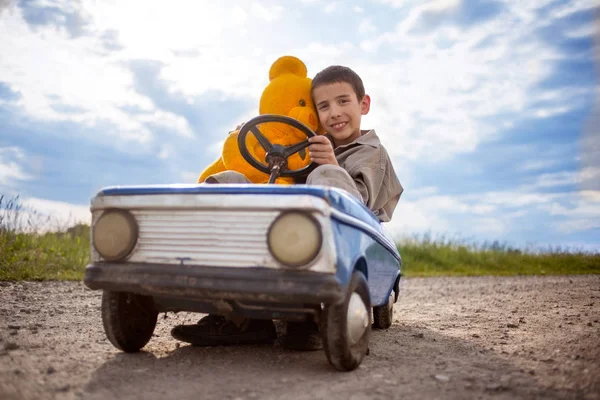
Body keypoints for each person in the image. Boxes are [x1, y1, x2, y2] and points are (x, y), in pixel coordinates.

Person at [171, 65, 404, 350]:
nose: (335, 112)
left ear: (363, 104)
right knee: (229, 181)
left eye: (343, 101)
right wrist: (263, 143)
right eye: (324, 106)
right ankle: (239, 316)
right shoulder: (308, 143)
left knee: (323, 177)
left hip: (340, 239)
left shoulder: (371, 152)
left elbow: (360, 206)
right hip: (285, 230)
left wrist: (330, 163)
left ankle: (310, 314)